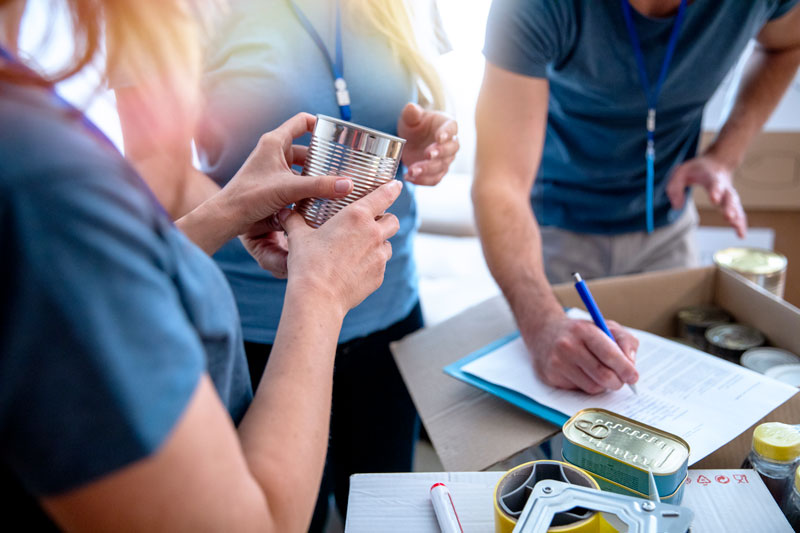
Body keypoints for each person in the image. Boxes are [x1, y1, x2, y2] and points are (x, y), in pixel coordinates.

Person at [0, 1, 402, 530]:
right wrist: (322, 290)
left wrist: (227, 211)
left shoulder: (27, 126)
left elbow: (112, 281)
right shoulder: (42, 179)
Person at [115, 1, 460, 529]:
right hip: (256, 329)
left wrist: (418, 145)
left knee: (390, 516)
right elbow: (155, 174)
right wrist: (257, 209)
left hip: (388, 315)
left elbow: (389, 111)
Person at [472, 0, 800, 394]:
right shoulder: (532, 7)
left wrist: (724, 156)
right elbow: (499, 183)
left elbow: (788, 42)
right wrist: (542, 323)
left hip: (669, 224)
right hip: (551, 231)